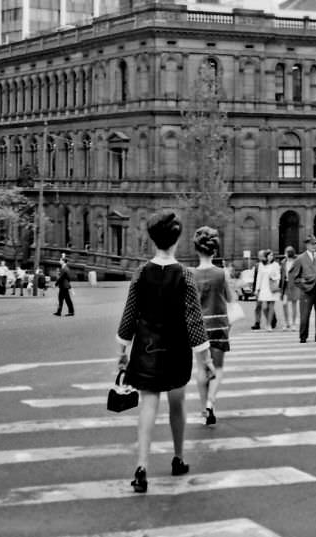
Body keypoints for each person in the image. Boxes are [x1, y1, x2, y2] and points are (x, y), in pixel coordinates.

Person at [116, 209, 215, 494]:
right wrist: (205, 359)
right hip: (176, 349)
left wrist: (122, 351)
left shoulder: (141, 273)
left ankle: (141, 467)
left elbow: (128, 317)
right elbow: (194, 320)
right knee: (177, 403)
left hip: (146, 348)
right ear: (175, 241)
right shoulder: (184, 275)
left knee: (148, 405)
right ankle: (178, 457)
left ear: (152, 240)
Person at [191, 226, 233, 426]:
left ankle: (203, 408)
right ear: (215, 250)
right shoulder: (222, 273)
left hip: (199, 326)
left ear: (197, 250)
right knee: (218, 367)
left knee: (201, 369)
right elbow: (231, 299)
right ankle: (210, 403)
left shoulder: (189, 275)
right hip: (219, 324)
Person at [290, 234, 316, 343]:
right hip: (307, 291)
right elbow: (294, 276)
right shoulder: (300, 258)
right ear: (306, 245)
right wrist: (303, 285)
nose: (314, 246)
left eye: (315, 244)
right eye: (312, 244)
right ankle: (303, 336)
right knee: (305, 314)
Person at [254, 249, 280, 331]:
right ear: (266, 256)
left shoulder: (276, 265)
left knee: (271, 307)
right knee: (264, 307)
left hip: (272, 287)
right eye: (269, 255)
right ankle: (271, 321)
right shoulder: (261, 265)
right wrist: (257, 289)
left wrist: (274, 277)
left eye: (272, 255)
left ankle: (268, 324)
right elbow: (259, 277)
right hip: (264, 288)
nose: (271, 257)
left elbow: (279, 276)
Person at [280, 246, 300, 330]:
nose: (285, 254)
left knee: (294, 304)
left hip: (294, 285)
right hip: (285, 285)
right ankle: (286, 322)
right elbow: (281, 274)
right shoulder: (283, 262)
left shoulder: (296, 262)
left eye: (286, 252)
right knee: (284, 303)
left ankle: (294, 323)